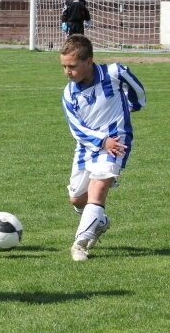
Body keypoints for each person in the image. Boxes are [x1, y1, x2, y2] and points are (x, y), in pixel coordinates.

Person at [59, 34, 145, 261]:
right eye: (64, 67)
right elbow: (77, 129)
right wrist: (100, 140)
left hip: (116, 143)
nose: (67, 72)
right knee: (77, 199)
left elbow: (137, 89)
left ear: (88, 61)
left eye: (72, 66)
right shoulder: (69, 93)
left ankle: (79, 244)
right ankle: (100, 222)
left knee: (98, 189)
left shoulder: (115, 72)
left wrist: (134, 105)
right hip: (87, 147)